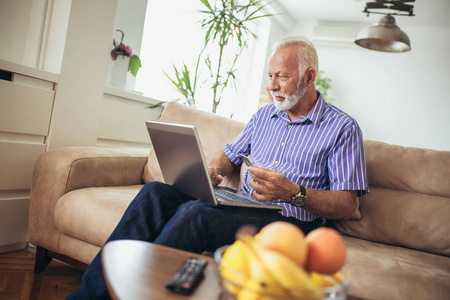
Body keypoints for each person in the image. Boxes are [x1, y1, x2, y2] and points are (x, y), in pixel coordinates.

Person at [67, 35, 368, 299]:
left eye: (283, 76)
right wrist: (215, 170)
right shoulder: (264, 116)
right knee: (154, 193)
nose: (272, 85)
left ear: (310, 76)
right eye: (270, 75)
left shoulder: (342, 128)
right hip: (245, 205)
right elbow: (229, 155)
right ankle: (88, 296)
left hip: (290, 223)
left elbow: (346, 204)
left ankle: (142, 293)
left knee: (195, 215)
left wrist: (294, 192)